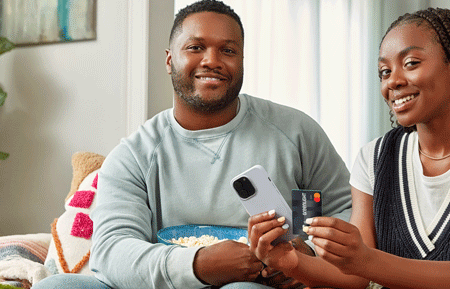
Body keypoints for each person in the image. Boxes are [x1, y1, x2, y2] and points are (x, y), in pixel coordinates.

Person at [33, 1, 351, 289]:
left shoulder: (295, 132)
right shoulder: (135, 154)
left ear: (242, 61)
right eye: (196, 47)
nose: (212, 61)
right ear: (170, 61)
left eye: (228, 50)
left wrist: (305, 253)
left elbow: (347, 210)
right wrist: (200, 265)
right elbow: (112, 252)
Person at [248, 7, 450, 289]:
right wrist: (290, 261)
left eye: (411, 63)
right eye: (384, 72)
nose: (394, 81)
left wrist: (364, 258)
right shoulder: (374, 158)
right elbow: (353, 277)